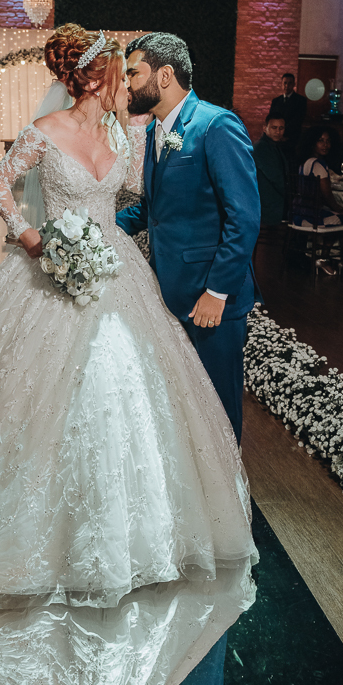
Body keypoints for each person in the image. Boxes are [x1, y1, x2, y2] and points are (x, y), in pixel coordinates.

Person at [0, 25, 258, 685]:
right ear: (92, 77)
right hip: (47, 273)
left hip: (117, 272)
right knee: (35, 400)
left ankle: (134, 526)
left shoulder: (127, 137)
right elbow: (0, 184)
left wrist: (108, 238)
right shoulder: (46, 128)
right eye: (119, 71)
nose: (126, 81)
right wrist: (37, 241)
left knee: (130, 398)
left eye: (132, 71)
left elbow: (136, 204)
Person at [116, 32, 261, 444]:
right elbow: (152, 210)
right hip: (167, 293)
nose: (127, 84)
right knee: (182, 404)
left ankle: (229, 501)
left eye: (133, 73)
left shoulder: (216, 125)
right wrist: (97, 228)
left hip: (210, 299)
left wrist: (217, 292)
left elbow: (244, 218)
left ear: (164, 76)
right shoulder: (153, 132)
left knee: (217, 407)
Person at [291, 127, 343, 228]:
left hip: (296, 214)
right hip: (311, 218)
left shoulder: (304, 162)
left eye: (328, 141)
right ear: (312, 142)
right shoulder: (318, 165)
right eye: (320, 141)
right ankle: (329, 244)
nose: (325, 145)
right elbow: (328, 197)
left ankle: (325, 244)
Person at [250, 113, 288, 229]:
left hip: (271, 203)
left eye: (281, 128)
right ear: (265, 128)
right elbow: (276, 178)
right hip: (269, 205)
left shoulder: (273, 146)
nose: (278, 132)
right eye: (274, 128)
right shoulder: (262, 148)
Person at [269, 72, 307, 156]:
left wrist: (284, 135)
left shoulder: (301, 101)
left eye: (290, 83)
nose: (287, 85)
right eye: (285, 83)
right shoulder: (276, 101)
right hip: (276, 138)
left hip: (292, 139)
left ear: (294, 84)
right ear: (282, 84)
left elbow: (298, 119)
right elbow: (271, 118)